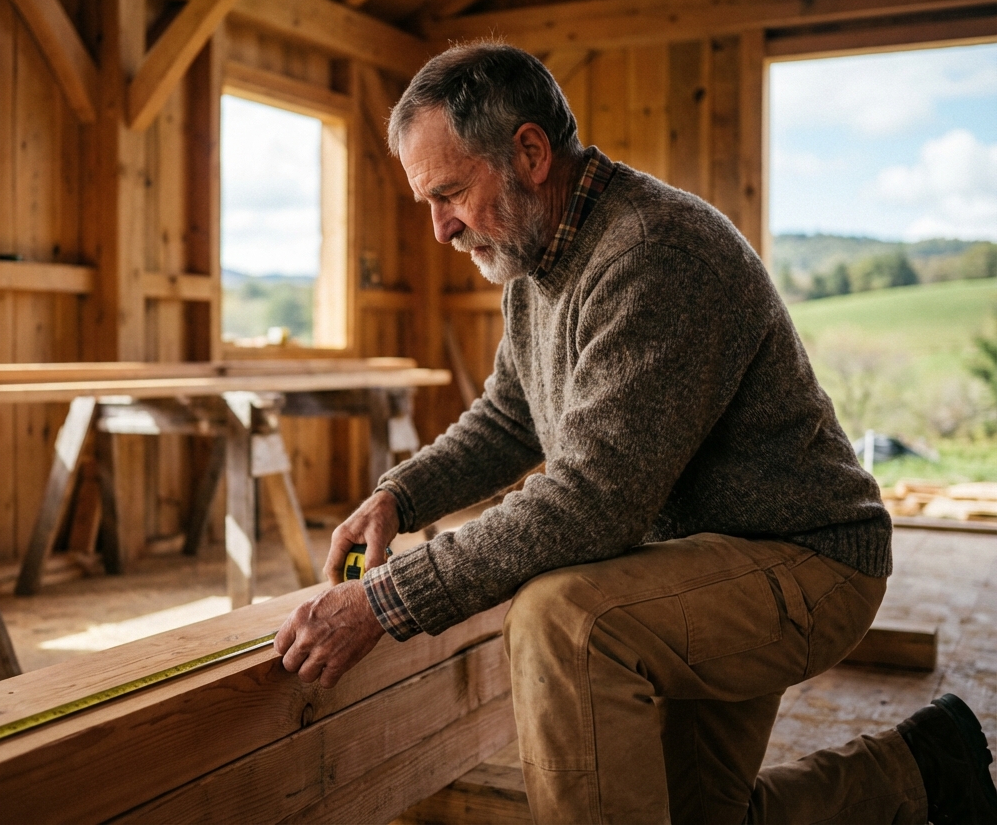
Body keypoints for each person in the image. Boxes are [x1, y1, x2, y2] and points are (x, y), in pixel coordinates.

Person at [274, 42, 997, 823]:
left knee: (566, 620)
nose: (440, 229)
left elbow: (592, 500)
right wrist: (401, 497)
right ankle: (922, 769)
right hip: (692, 561)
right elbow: (510, 417)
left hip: (804, 560)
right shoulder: (533, 264)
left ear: (528, 152)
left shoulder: (654, 252)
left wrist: (385, 600)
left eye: (449, 193)